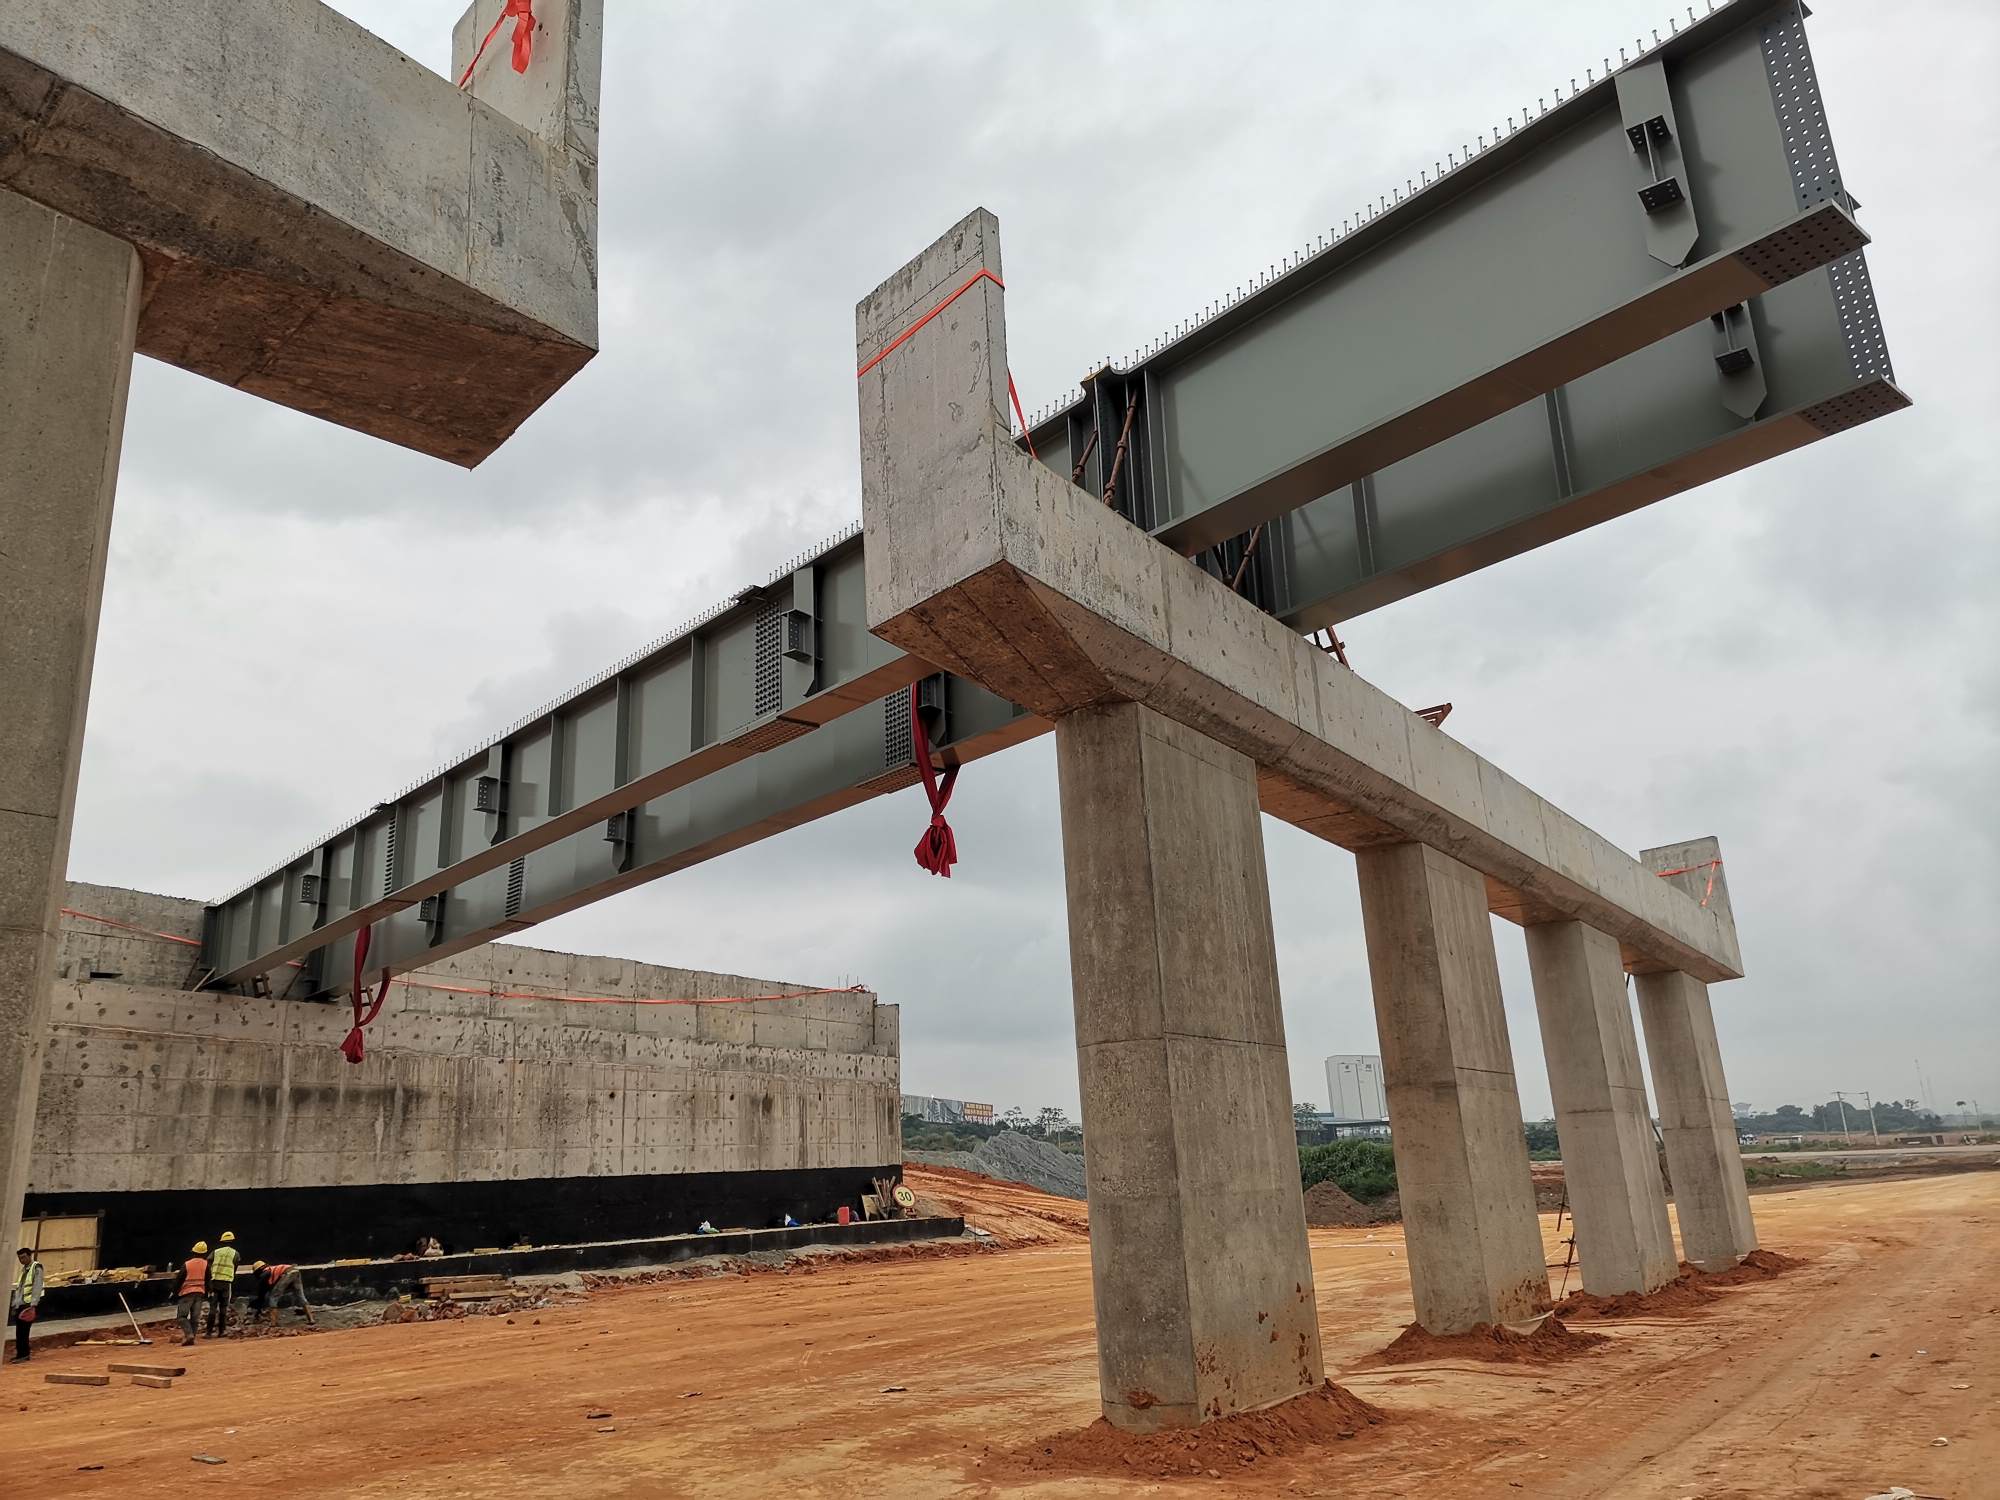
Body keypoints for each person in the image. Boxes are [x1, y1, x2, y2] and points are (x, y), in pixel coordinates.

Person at [248, 1261, 314, 1327]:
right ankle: (311, 1320)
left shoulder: (266, 1272)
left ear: (259, 1270)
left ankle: (273, 1323)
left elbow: (263, 1287)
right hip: (295, 1271)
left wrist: (259, 1294)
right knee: (300, 1296)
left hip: (287, 1273)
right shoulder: (273, 1270)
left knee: (273, 1298)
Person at [9, 1247, 44, 1363]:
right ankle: (20, 1354)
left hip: (28, 1304)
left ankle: (24, 1354)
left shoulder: (36, 1268)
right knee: (19, 1331)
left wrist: (33, 1305)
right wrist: (15, 1304)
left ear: (29, 1256)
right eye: (20, 1258)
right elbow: (19, 1289)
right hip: (21, 1304)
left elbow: (37, 1286)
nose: (22, 1260)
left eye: (24, 1257)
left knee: (24, 1331)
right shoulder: (24, 1270)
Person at [174, 1241, 210, 1347]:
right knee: (195, 1318)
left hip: (187, 1293)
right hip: (200, 1293)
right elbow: (208, 1280)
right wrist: (207, 1293)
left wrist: (174, 1292)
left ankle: (189, 1335)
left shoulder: (187, 1264)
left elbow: (179, 1279)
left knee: (181, 1317)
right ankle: (192, 1338)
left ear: (194, 1252)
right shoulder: (206, 1264)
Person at [206, 1231, 240, 1337]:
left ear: (221, 1241)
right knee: (223, 1308)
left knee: (212, 1307)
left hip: (214, 1282)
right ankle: (221, 1331)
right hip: (226, 1283)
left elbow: (208, 1263)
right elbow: (235, 1266)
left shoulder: (215, 1252)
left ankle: (209, 1332)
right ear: (232, 1241)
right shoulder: (235, 1253)